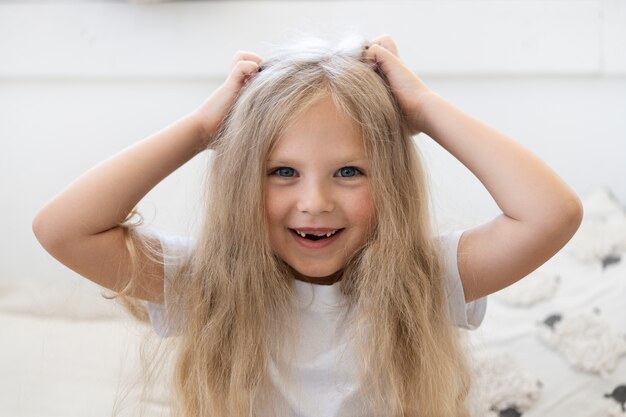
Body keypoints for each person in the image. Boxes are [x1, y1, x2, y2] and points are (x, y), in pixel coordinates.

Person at [32, 34, 583, 417]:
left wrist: (423, 108)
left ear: (389, 180)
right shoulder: (208, 284)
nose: (314, 202)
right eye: (282, 172)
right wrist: (203, 129)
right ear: (242, 180)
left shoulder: (423, 277)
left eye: (349, 171)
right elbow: (63, 229)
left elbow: (550, 214)